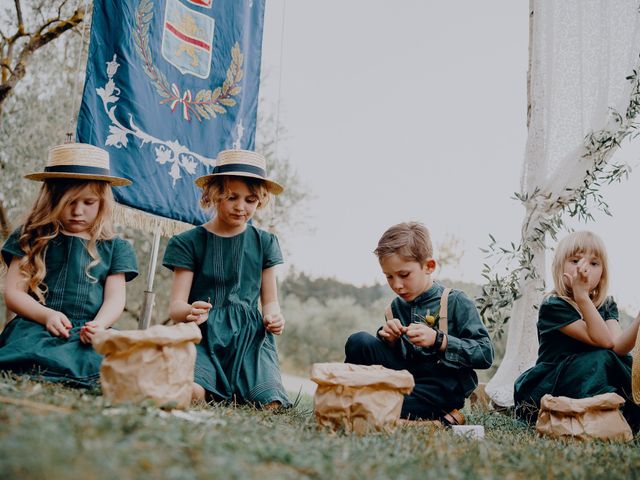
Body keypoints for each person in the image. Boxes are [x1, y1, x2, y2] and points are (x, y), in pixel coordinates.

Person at [0, 143, 138, 387]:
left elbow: (115, 299)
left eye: (88, 202)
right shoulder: (30, 237)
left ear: (102, 202)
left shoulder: (116, 247)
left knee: (114, 361)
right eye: (69, 201)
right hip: (36, 326)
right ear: (51, 198)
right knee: (29, 353)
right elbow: (13, 293)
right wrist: (46, 315)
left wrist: (100, 325)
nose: (77, 211)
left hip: (87, 333)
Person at [163, 149, 290, 408]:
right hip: (203, 336)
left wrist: (274, 317)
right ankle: (213, 388)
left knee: (270, 402)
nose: (241, 207)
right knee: (192, 394)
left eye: (250, 200)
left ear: (260, 201)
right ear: (213, 194)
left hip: (249, 340)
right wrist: (190, 310)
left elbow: (270, 301)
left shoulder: (265, 243)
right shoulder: (188, 242)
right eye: (232, 197)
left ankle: (237, 389)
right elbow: (176, 308)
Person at [345, 222, 494, 423]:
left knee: (387, 403)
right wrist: (389, 339)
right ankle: (369, 401)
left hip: (441, 387)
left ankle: (429, 414)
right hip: (406, 381)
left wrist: (439, 340)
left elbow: (485, 354)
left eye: (404, 275)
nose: (396, 285)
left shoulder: (456, 301)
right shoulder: (394, 308)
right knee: (359, 341)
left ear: (429, 266)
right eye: (389, 276)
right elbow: (399, 361)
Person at [514, 231, 640, 430]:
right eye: (575, 260)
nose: (584, 269)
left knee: (625, 361)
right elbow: (604, 342)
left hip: (594, 378)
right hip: (553, 382)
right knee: (602, 357)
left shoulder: (606, 305)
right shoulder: (553, 305)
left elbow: (618, 347)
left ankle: (621, 411)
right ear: (559, 266)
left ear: (603, 273)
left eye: (594, 263)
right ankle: (602, 413)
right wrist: (581, 295)